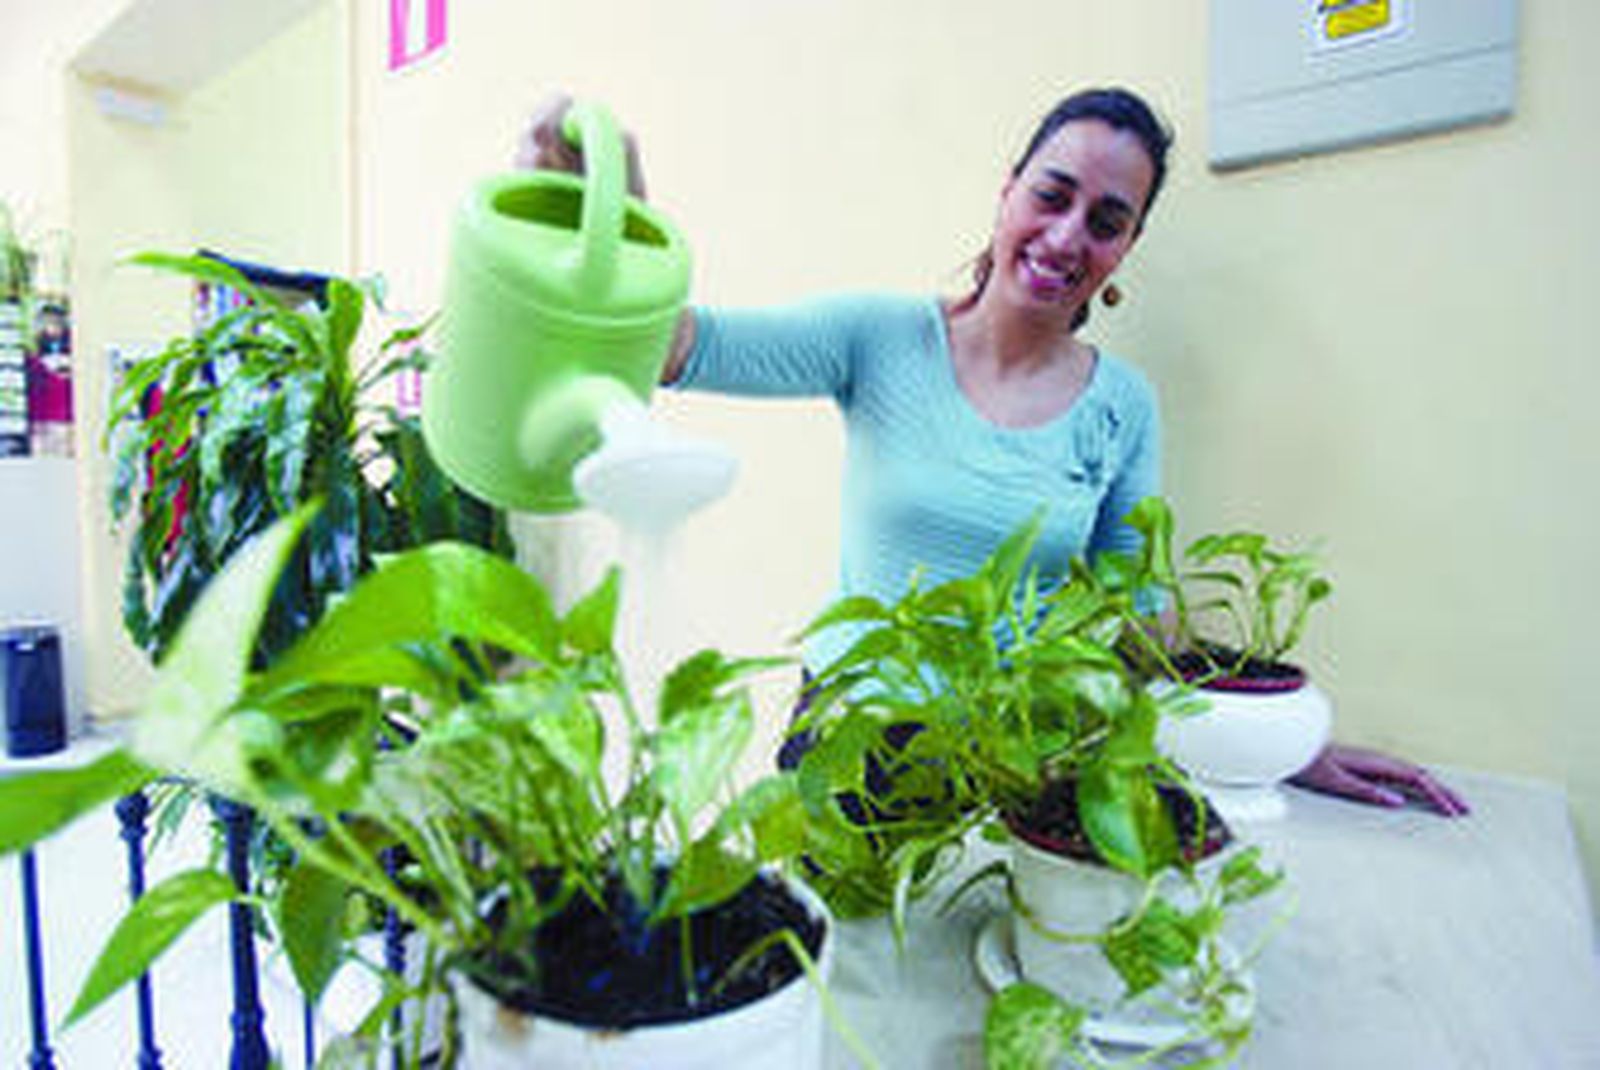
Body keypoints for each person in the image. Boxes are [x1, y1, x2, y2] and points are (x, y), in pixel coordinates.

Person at [517, 89, 1467, 818]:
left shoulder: (1122, 407)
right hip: (853, 749)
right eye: (1052, 196)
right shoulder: (879, 338)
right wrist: (610, 215)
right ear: (1009, 189)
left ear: (1127, 246)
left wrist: (1276, 742)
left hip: (1018, 764)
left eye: (1107, 221)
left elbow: (1138, 611)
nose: (1067, 237)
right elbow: (674, 346)